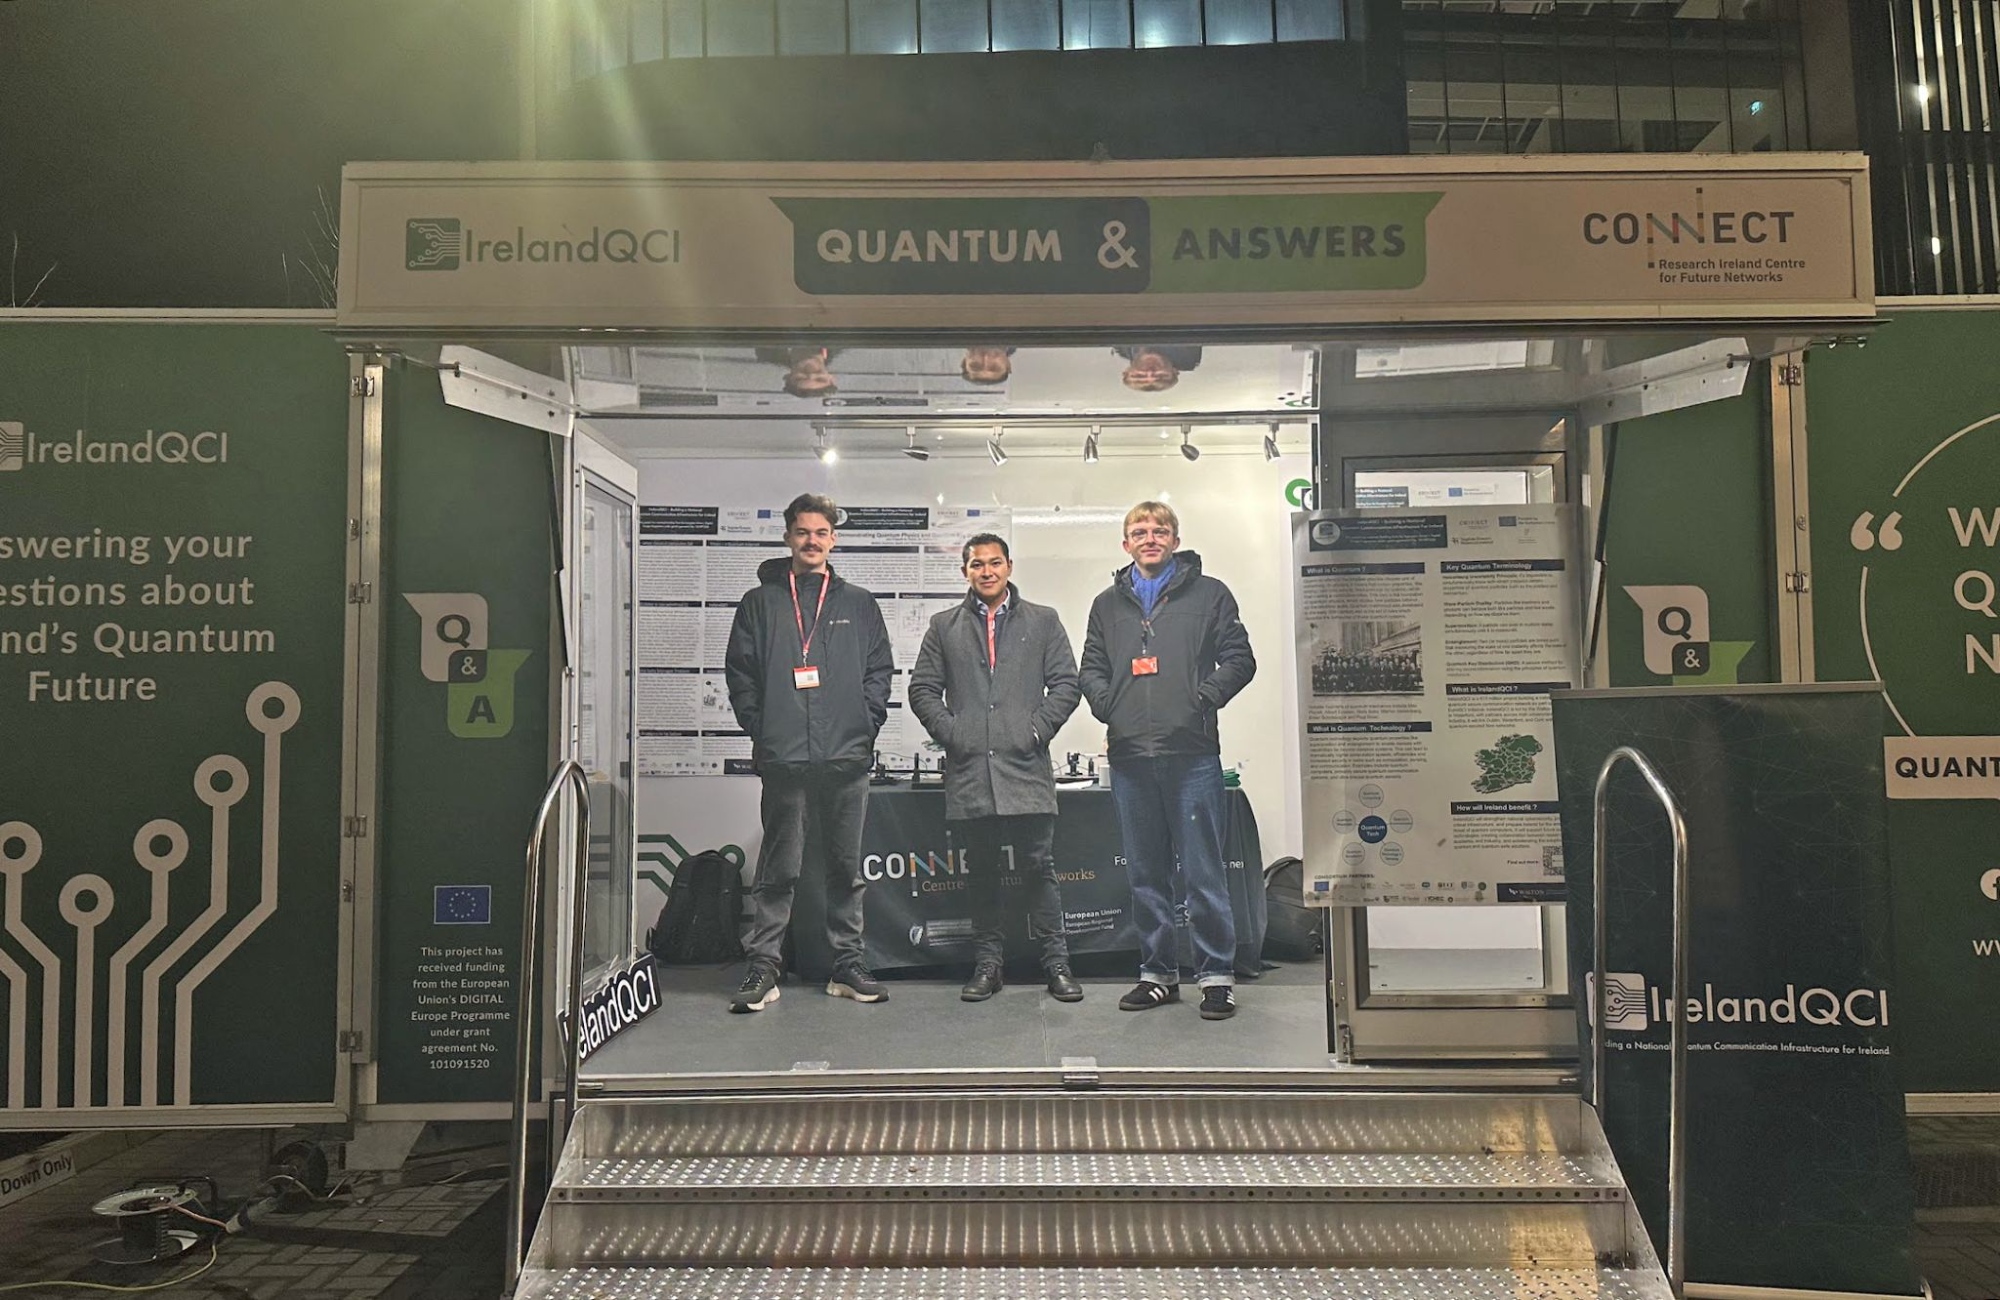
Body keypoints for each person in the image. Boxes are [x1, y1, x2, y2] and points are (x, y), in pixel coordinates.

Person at [1078, 501, 1256, 1020]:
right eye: (1139, 531)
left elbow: (1240, 659)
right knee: (1145, 874)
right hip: (1130, 757)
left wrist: (1201, 699)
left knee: (1203, 873)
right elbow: (1091, 667)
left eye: (1160, 531)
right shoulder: (1106, 605)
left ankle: (1216, 977)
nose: (1150, 538)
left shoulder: (1210, 594)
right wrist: (1109, 706)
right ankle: (1157, 975)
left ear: (1175, 540)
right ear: (1125, 543)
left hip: (1192, 755)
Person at [723, 493, 894, 1013]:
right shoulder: (760, 603)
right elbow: (740, 675)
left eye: (821, 533)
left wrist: (864, 726)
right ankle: (764, 966)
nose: (811, 541)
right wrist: (765, 730)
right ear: (788, 538)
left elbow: (879, 671)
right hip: (785, 759)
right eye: (802, 532)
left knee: (845, 870)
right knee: (779, 871)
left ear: (833, 540)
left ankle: (847, 965)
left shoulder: (859, 604)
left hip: (846, 757)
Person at [908, 534, 1084, 1003]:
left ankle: (1057, 964)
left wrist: (1035, 731)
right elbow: (922, 688)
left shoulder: (1043, 621)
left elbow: (1067, 685)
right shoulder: (944, 626)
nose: (986, 571)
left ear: (1009, 566)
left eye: (994, 563)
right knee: (981, 873)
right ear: (965, 571)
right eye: (977, 565)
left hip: (1026, 767)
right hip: (970, 771)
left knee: (1038, 869)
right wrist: (955, 733)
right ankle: (988, 966)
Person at [753, 346, 844, 398]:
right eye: (820, 379)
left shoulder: (767, 352)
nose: (811, 374)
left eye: (801, 378)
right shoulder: (843, 341)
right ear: (831, 378)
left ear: (787, 377)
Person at [1112, 345, 1203, 393]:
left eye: (1139, 376)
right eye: (1160, 375)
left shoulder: (1119, 346)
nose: (1150, 371)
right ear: (1174, 371)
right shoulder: (1187, 349)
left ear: (1126, 371)